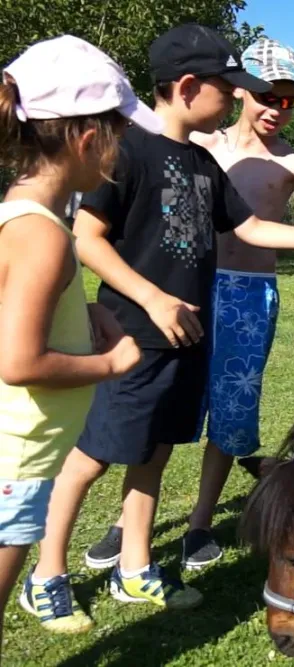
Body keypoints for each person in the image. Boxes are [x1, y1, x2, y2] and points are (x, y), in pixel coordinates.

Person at [22, 23, 294, 629]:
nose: (233, 97)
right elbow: (87, 237)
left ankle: (135, 570)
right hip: (134, 337)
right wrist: (153, 299)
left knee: (154, 455)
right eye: (224, 87)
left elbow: (249, 229)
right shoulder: (125, 151)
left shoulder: (203, 161)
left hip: (188, 335)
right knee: (94, 457)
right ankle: (45, 574)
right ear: (187, 88)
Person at [82, 37, 294, 570]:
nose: (277, 109)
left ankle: (200, 523)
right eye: (268, 96)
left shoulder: (293, 160)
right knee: (159, 403)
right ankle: (127, 523)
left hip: (250, 297)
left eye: (290, 101)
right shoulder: (196, 145)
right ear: (243, 92)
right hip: (186, 290)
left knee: (231, 413)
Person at [0, 35, 156, 637]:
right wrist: (112, 363)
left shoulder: (22, 215)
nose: (122, 156)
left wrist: (80, 313)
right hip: (18, 457)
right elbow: (19, 361)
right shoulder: (41, 234)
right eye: (120, 137)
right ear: (87, 140)